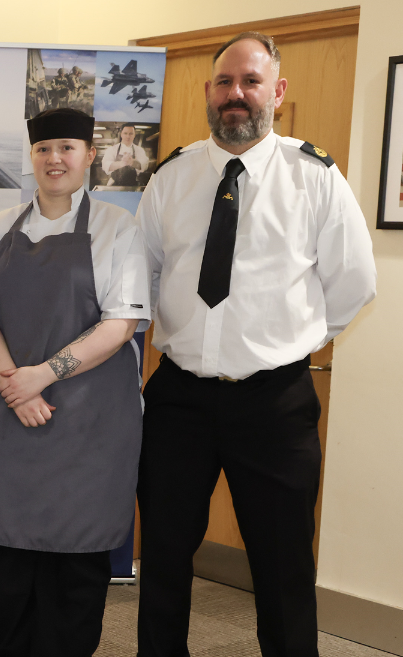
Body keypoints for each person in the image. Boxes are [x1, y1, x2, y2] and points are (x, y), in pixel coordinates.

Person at [136, 32, 376, 657]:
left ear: (278, 91)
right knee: (162, 555)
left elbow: (352, 284)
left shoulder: (314, 177)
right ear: (209, 92)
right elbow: (146, 277)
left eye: (250, 82)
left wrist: (290, 345)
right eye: (224, 83)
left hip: (275, 404)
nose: (235, 94)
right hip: (179, 398)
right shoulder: (171, 178)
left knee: (283, 568)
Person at [0, 107, 148, 656]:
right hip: (10, 423)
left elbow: (119, 326)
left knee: (76, 581)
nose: (55, 159)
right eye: (44, 148)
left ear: (90, 155)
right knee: (10, 574)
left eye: (68, 147)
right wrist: (13, 388)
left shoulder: (120, 229)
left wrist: (40, 377)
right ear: (32, 156)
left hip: (89, 430)